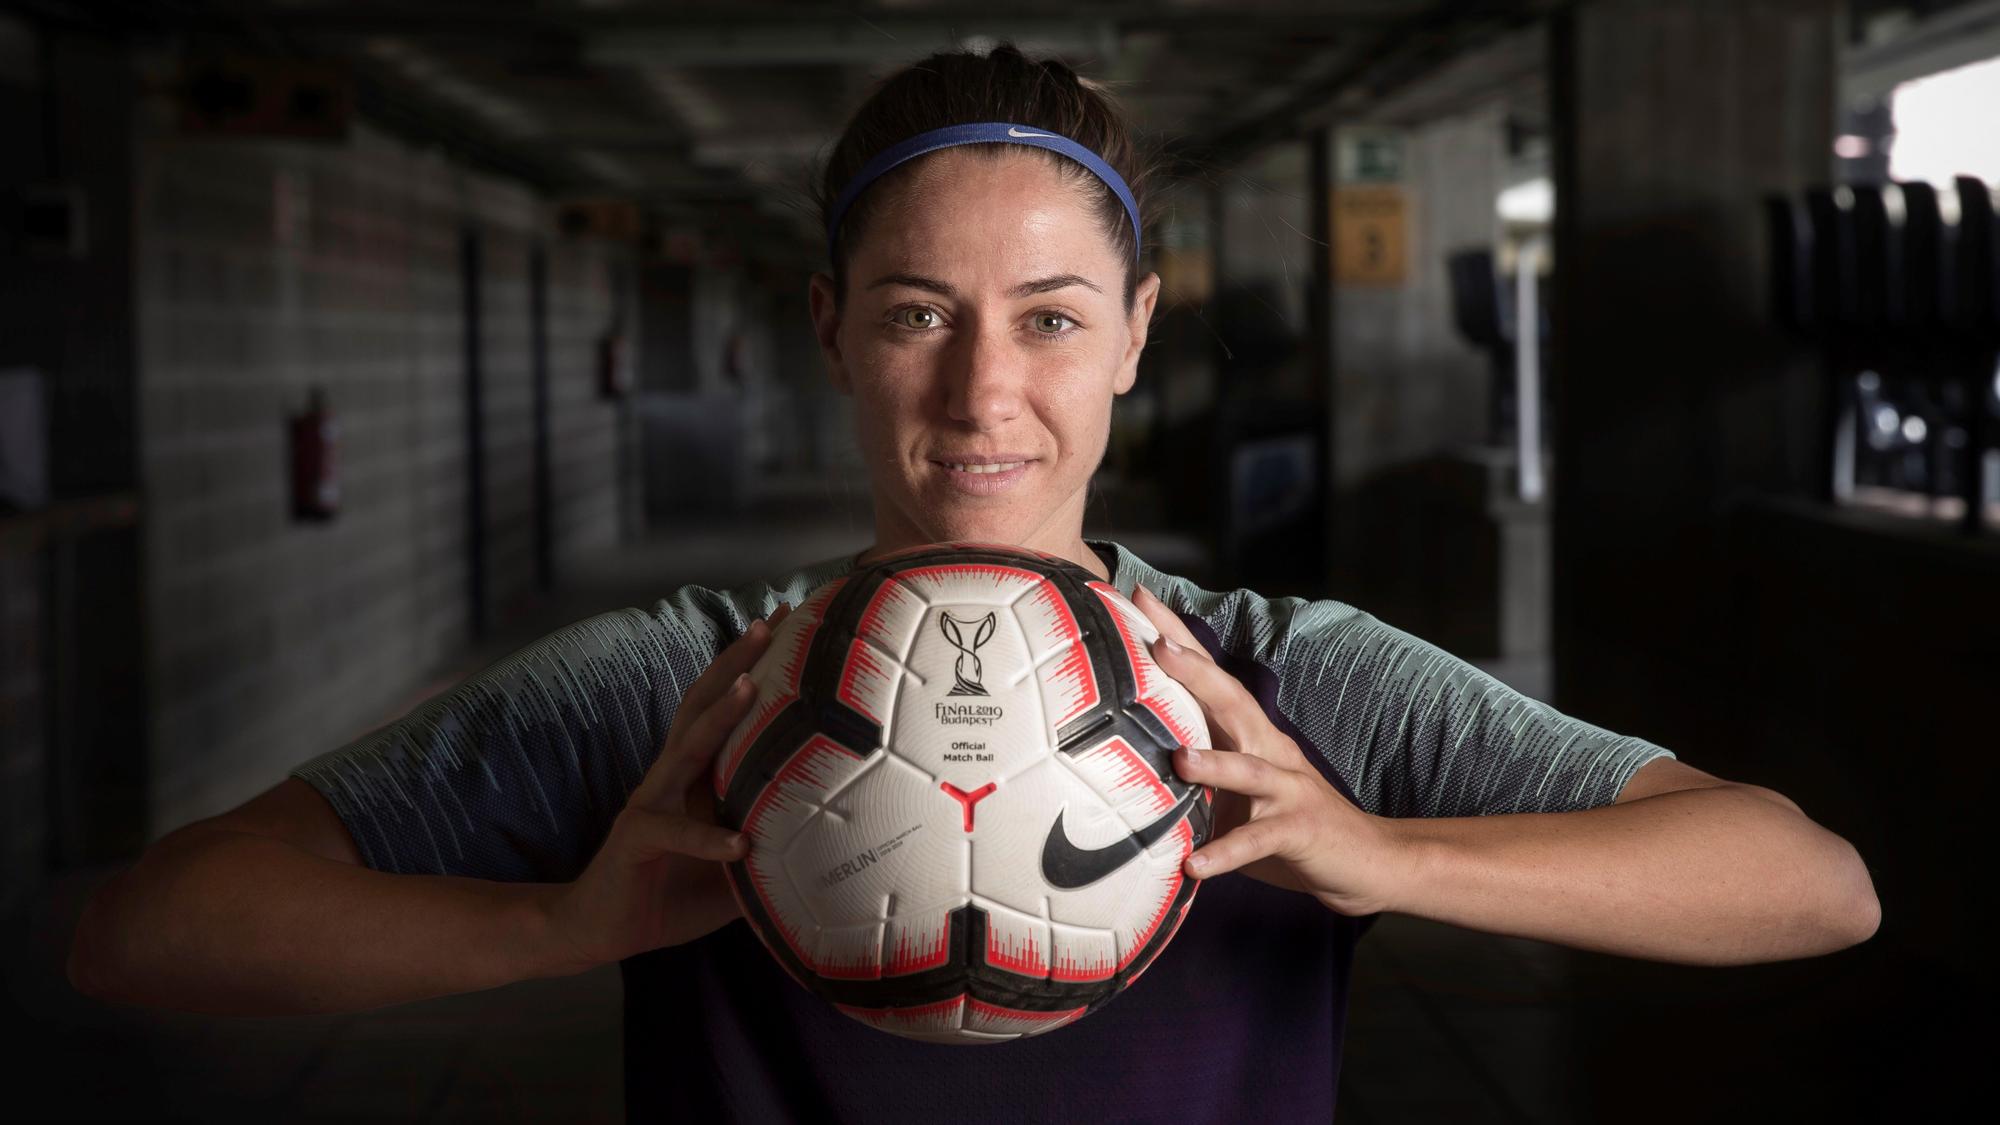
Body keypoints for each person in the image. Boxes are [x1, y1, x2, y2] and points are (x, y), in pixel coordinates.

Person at [67, 43, 1879, 1124]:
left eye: (1052, 319)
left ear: (1137, 342)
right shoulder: (689, 692)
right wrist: (555, 929)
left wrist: (1377, 849)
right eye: (918, 314)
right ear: (834, 334)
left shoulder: (1278, 687)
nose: (982, 391)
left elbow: (1809, 882)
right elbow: (152, 928)